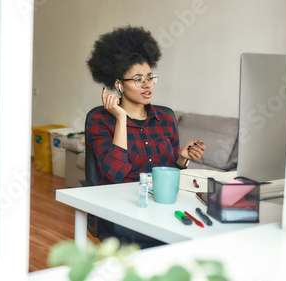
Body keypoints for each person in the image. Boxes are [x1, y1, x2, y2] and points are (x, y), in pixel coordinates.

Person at [85, 26, 206, 247]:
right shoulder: (100, 120)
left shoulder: (166, 119)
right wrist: (121, 119)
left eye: (150, 77)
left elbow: (167, 176)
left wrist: (181, 159)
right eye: (138, 79)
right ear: (118, 84)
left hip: (162, 207)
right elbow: (115, 176)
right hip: (123, 209)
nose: (147, 84)